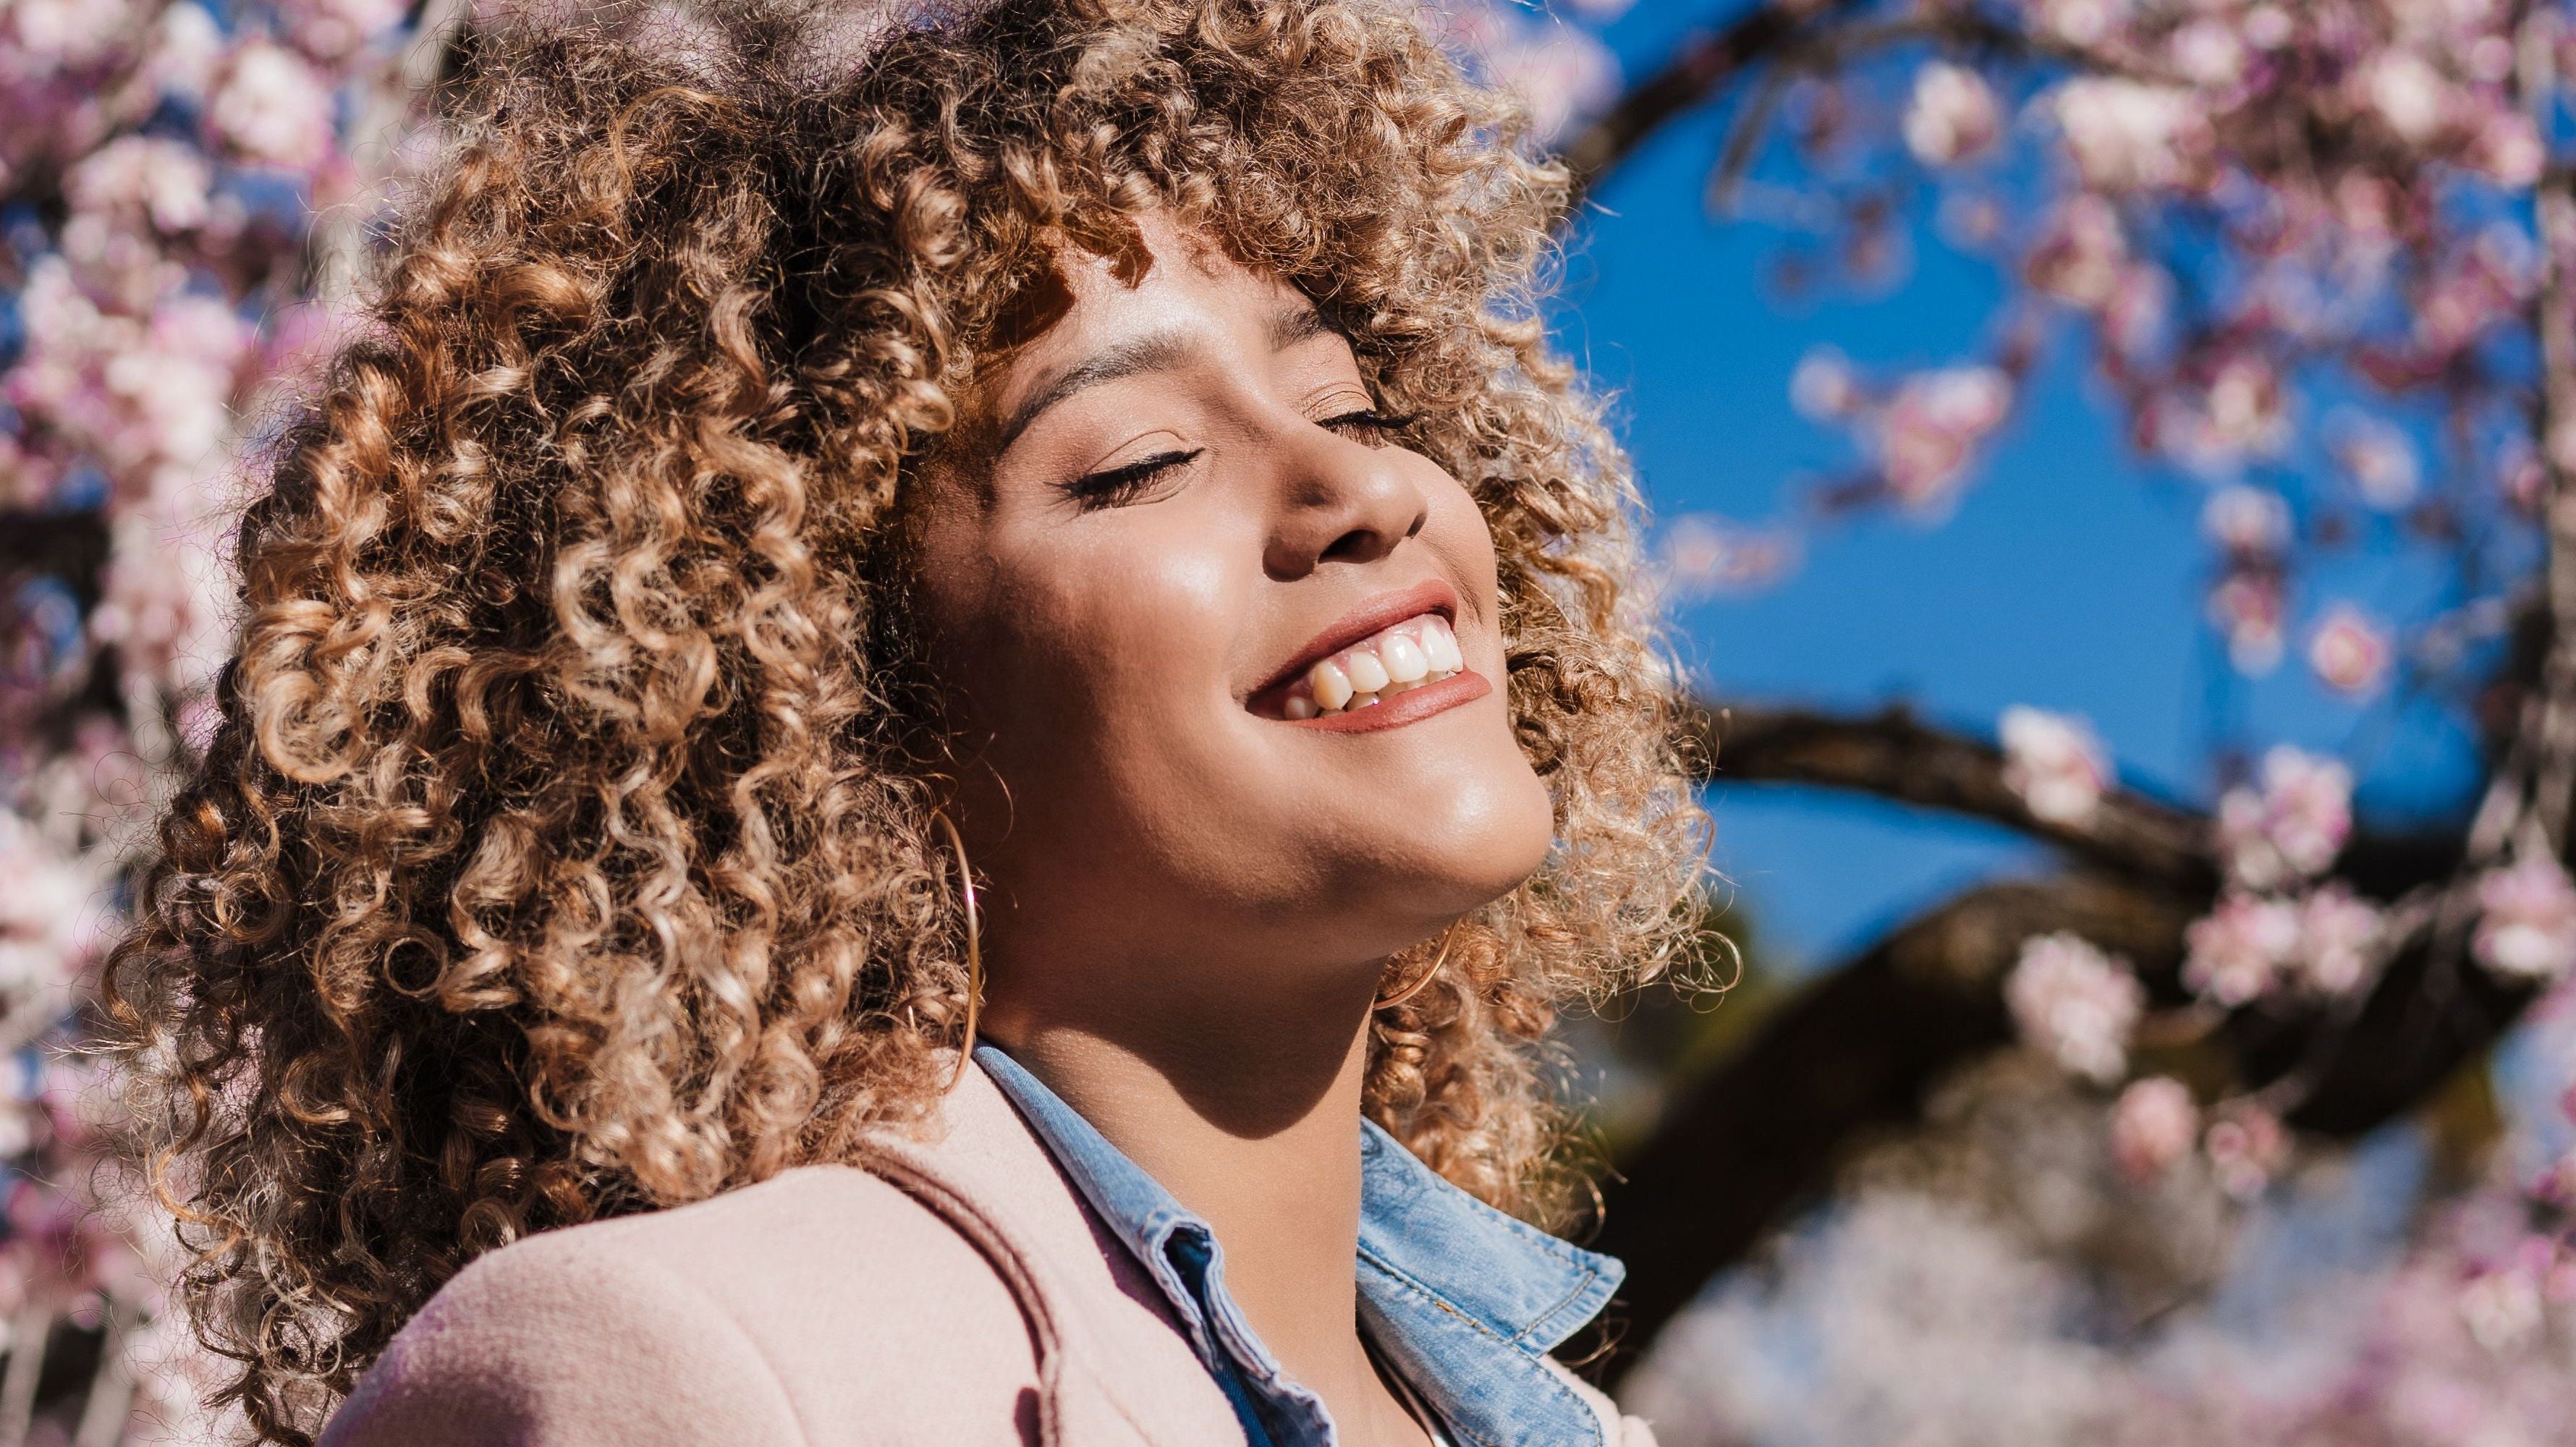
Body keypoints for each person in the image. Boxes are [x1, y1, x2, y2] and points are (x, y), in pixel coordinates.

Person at [103, 0, 1706, 1442]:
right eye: (1139, 460)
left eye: (1351, 404)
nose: (1361, 484)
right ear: (823, 707)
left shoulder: (1562, 1422)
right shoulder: (689, 1375)